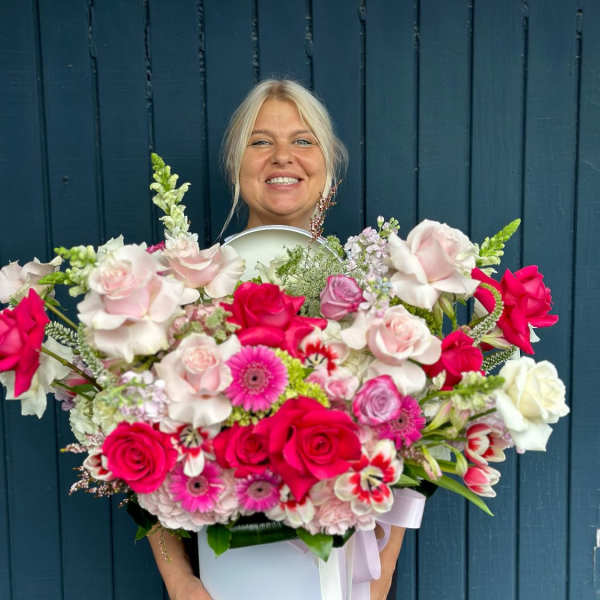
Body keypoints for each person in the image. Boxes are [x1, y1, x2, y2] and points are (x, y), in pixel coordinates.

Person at [148, 79, 424, 600]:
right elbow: (136, 447)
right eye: (260, 142)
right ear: (236, 165)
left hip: (345, 576)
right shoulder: (187, 289)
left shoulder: (371, 293)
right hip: (224, 575)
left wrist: (381, 573)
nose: (282, 156)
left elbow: (413, 437)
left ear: (328, 166)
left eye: (302, 141)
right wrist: (180, 582)